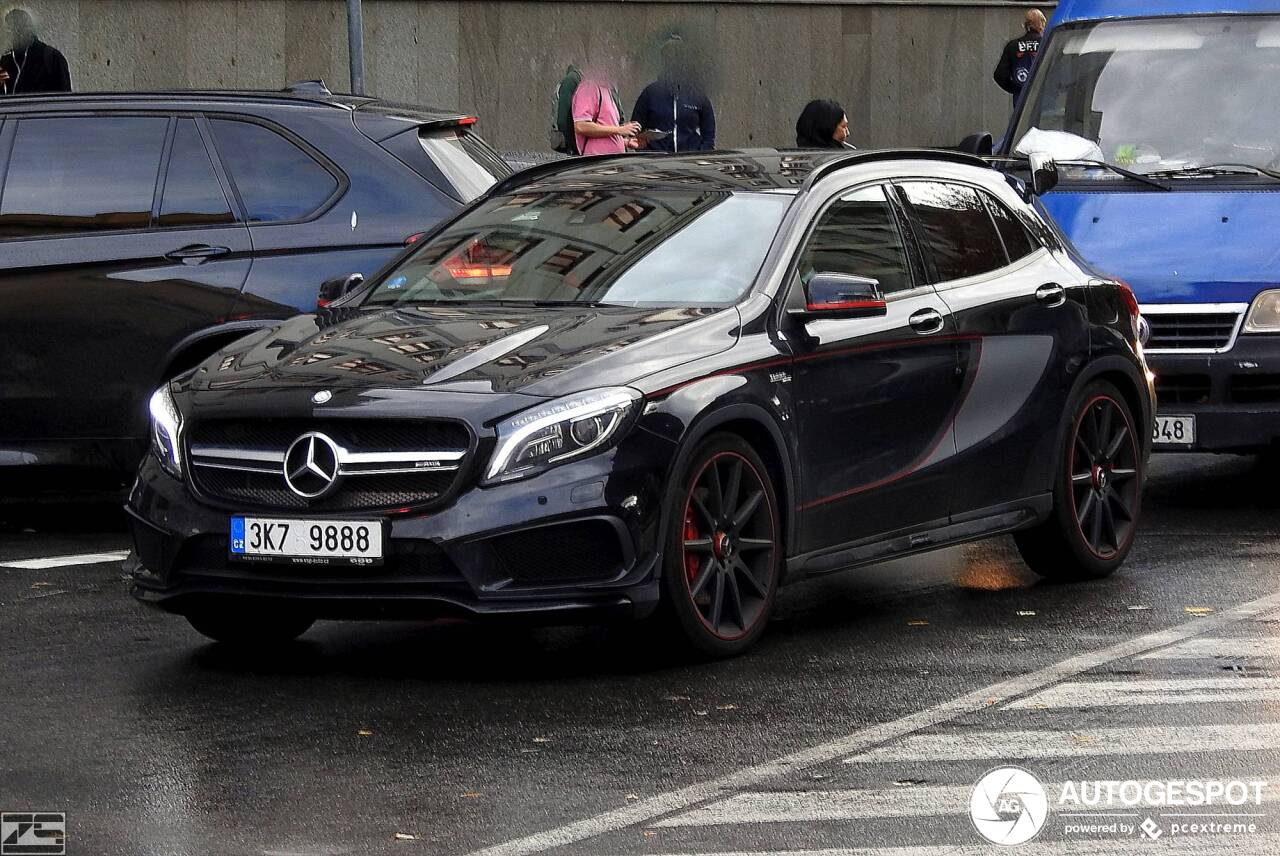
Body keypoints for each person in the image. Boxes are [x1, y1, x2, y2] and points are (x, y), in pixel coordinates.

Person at [631, 35, 716, 153]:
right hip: (656, 162)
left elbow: (709, 135)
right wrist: (647, 153)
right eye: (670, 58)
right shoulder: (650, 93)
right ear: (664, 61)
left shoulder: (697, 95)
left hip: (689, 161)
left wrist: (701, 154)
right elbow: (635, 128)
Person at [1, 7, 71, 94]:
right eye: (9, 30)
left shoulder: (52, 58)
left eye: (17, 29)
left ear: (28, 30)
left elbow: (64, 99)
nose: (12, 35)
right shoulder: (6, 60)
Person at [572, 76, 640, 156]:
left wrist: (626, 142)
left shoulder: (607, 90)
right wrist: (620, 129)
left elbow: (607, 131)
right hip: (597, 162)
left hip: (611, 162)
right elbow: (581, 126)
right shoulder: (589, 87)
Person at [993, 9, 1046, 104]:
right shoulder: (1047, 44)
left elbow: (1000, 75)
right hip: (1044, 96)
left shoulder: (1013, 46)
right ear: (1042, 24)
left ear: (1026, 25)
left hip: (1021, 99)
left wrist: (1014, 87)